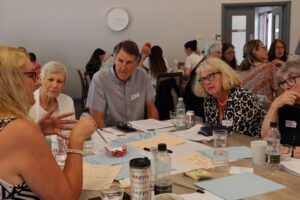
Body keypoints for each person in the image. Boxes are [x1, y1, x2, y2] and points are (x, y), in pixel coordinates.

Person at [0, 46, 96, 199]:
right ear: (11, 81)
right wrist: (76, 140)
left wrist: (37, 130)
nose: (38, 83)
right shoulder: (19, 129)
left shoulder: (7, 124)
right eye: (32, 75)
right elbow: (67, 197)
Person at [86, 40, 159, 128]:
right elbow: (97, 119)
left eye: (129, 62)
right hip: (110, 134)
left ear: (136, 62)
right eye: (120, 61)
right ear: (114, 59)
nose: (123, 67)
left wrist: (155, 133)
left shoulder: (142, 75)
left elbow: (151, 109)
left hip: (138, 132)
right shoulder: (100, 79)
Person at [193, 58, 265, 137]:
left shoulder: (243, 98)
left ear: (224, 74)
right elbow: (212, 132)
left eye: (210, 76)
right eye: (203, 79)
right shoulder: (209, 100)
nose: (207, 82)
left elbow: (238, 136)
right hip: (224, 144)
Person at [261, 59, 300, 158]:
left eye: (291, 80)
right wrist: (274, 105)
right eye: (283, 82)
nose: (286, 87)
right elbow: (266, 137)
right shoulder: (284, 106)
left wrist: (288, 151)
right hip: (285, 164)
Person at [183, 41, 222, 120]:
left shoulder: (209, 64)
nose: (220, 55)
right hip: (196, 102)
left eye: (221, 52)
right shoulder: (204, 66)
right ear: (209, 53)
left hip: (201, 99)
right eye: (218, 52)